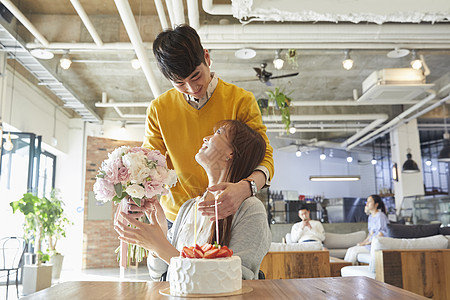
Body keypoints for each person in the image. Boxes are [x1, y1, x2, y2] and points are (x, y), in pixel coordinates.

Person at [143, 24, 274, 225]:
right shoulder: (159, 108)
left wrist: (246, 188)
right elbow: (150, 161)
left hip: (229, 210)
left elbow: (264, 156)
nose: (192, 88)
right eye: (180, 83)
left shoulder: (240, 100)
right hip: (176, 217)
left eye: (196, 76)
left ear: (207, 58)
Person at [115, 120, 272, 280]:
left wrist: (160, 247)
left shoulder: (250, 210)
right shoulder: (188, 207)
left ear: (230, 154)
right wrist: (161, 231)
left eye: (218, 133)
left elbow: (237, 280)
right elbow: (159, 275)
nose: (206, 138)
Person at [344, 194, 389, 265]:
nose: (367, 204)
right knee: (351, 250)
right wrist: (363, 242)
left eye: (370, 201)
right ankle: (343, 270)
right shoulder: (370, 217)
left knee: (354, 251)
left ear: (376, 204)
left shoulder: (380, 215)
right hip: (370, 244)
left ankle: (343, 272)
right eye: (367, 202)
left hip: (377, 244)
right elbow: (370, 234)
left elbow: (381, 234)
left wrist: (366, 243)